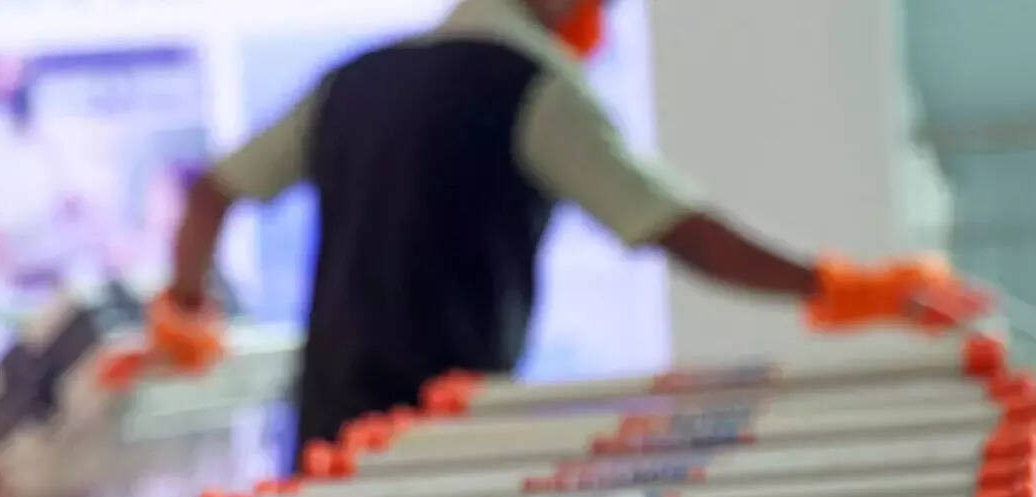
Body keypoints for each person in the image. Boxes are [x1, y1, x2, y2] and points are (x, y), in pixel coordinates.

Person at [166, 0, 987, 464]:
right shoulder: (531, 87)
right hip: (445, 442)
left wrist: (185, 307)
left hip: (328, 436)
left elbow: (211, 193)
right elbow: (680, 229)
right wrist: (839, 287)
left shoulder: (355, 81)